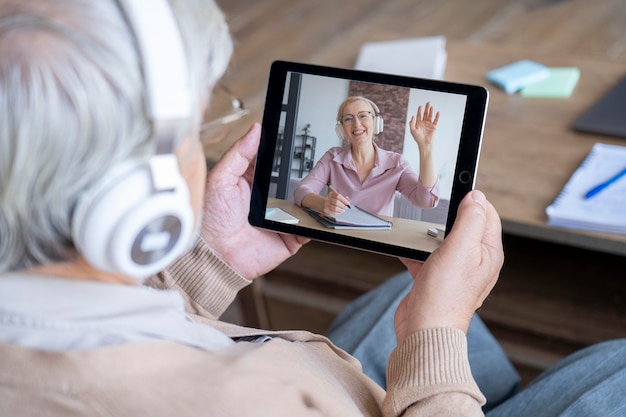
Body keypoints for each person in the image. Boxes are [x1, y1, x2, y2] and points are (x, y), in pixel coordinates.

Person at [1, 1, 626, 416]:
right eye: (197, 128)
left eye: (362, 116)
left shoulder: (392, 162)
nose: (354, 123)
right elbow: (307, 192)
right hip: (355, 388)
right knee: (613, 367)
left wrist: (207, 262)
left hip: (289, 357)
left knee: (391, 301)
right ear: (137, 195)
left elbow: (425, 200)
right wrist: (437, 332)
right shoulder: (238, 402)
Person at [294, 96, 440, 217]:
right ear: (341, 129)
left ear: (376, 122)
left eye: (363, 116)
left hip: (376, 242)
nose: (357, 124)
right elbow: (301, 191)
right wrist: (324, 204)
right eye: (348, 119)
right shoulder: (332, 157)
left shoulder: (396, 163)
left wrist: (426, 147)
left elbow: (426, 201)